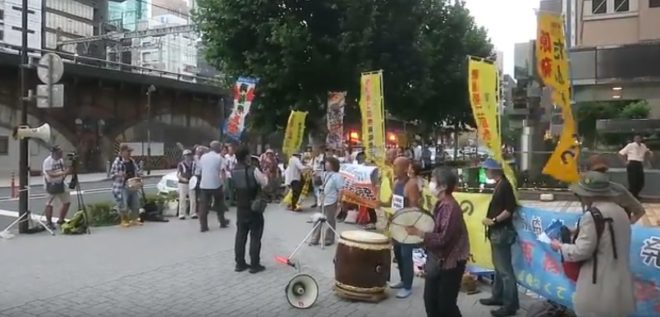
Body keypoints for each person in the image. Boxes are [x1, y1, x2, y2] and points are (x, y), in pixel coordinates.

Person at [550, 171, 635, 317]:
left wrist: (560, 247)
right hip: (621, 282)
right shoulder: (621, 211)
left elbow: (581, 251)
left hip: (598, 284)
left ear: (588, 194)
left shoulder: (592, 215)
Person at [405, 167, 469, 317]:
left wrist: (419, 233)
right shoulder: (441, 204)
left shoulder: (450, 207)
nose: (431, 184)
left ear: (444, 186)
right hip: (438, 260)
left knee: (446, 306)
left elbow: (443, 238)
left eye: (434, 181)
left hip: (451, 262)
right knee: (431, 301)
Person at [478, 158, 518, 317]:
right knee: (498, 267)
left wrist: (493, 221)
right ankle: (497, 296)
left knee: (505, 271)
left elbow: (509, 209)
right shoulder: (500, 185)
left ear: (494, 170)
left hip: (501, 231)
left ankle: (510, 305)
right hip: (497, 231)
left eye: (487, 169)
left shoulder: (505, 186)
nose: (485, 172)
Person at [231, 146, 268, 274]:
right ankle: (254, 264)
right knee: (255, 235)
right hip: (253, 207)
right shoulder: (253, 170)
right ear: (247, 156)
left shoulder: (233, 170)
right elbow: (264, 182)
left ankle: (239, 263)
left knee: (240, 235)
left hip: (240, 207)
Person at [389, 156, 421, 299]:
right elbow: (394, 203)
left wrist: (411, 225)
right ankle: (402, 280)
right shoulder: (396, 183)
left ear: (404, 168)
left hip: (407, 225)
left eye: (396, 166)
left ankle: (408, 286)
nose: (394, 168)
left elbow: (414, 207)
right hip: (397, 224)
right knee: (397, 254)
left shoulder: (412, 184)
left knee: (406, 255)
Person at [585, 155, 645, 223]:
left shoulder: (618, 190)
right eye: (597, 171)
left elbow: (640, 211)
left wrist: (625, 224)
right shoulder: (585, 190)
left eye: (601, 171)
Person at [309, 156, 344, 246]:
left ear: (333, 165)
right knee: (317, 219)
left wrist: (339, 201)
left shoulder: (337, 176)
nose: (325, 164)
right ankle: (314, 238)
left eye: (327, 163)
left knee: (330, 220)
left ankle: (329, 239)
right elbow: (317, 184)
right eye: (325, 163)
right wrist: (314, 177)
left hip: (331, 201)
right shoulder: (323, 174)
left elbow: (340, 189)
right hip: (321, 200)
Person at [197, 141, 229, 232]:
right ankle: (222, 222)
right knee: (219, 204)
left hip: (204, 185)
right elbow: (222, 172)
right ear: (218, 148)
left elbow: (200, 170)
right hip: (216, 184)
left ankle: (203, 226)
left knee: (203, 206)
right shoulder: (219, 158)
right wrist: (224, 184)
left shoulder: (203, 157)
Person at [110, 145, 143, 228]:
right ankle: (124, 220)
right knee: (123, 204)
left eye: (130, 152)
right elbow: (112, 175)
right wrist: (120, 175)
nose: (129, 153)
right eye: (128, 152)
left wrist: (140, 177)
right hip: (123, 186)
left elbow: (137, 171)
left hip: (133, 185)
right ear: (122, 152)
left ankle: (135, 219)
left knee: (136, 203)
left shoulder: (132, 161)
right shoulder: (118, 162)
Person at [42, 146, 71, 229]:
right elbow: (50, 174)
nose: (61, 154)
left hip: (61, 183)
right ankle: (49, 222)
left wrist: (65, 174)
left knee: (67, 201)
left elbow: (63, 170)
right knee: (50, 204)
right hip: (51, 184)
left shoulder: (60, 160)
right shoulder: (48, 161)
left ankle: (61, 220)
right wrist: (63, 173)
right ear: (54, 153)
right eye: (60, 153)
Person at [619, 135, 653, 199]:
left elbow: (647, 152)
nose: (638, 139)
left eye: (639, 138)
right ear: (634, 139)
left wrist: (649, 156)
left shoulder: (643, 146)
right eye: (636, 138)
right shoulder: (630, 145)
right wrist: (625, 162)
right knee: (633, 181)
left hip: (639, 164)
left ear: (641, 139)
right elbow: (621, 153)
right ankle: (632, 196)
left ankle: (635, 194)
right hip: (632, 163)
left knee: (640, 182)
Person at [176, 150, 195, 220]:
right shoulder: (181, 164)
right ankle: (181, 214)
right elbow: (178, 174)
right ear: (184, 156)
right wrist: (183, 179)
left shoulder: (193, 164)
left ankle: (193, 213)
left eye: (189, 155)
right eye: (186, 155)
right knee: (182, 198)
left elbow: (195, 172)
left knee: (193, 198)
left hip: (191, 183)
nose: (188, 156)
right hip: (182, 183)